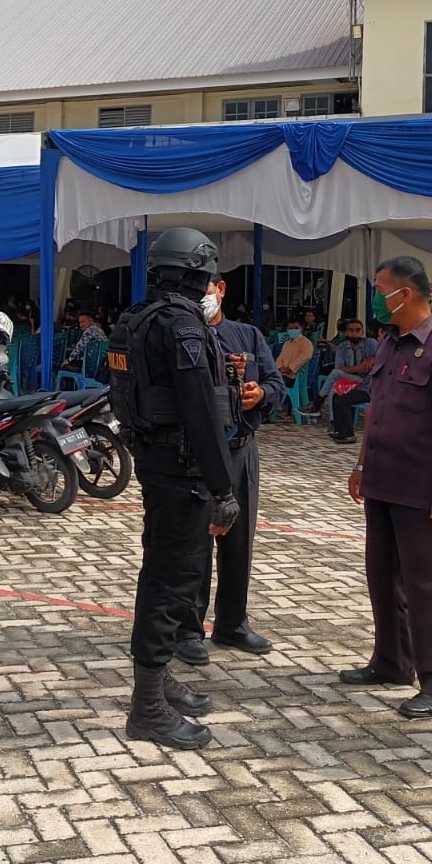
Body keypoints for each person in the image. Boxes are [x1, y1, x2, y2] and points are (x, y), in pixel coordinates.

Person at [107, 227, 240, 750]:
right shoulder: (183, 328)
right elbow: (202, 413)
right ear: (194, 273)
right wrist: (222, 487)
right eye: (207, 276)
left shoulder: (136, 320)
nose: (211, 285)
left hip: (156, 461)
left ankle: (158, 683)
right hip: (183, 469)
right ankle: (146, 709)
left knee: (162, 572)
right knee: (173, 582)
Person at [339, 256, 432, 720]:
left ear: (407, 294)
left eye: (381, 288)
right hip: (382, 480)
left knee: (431, 587)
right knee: (383, 577)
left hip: (422, 488)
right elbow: (376, 406)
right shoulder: (390, 344)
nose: (376, 297)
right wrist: (360, 462)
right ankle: (392, 662)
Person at [174, 271, 288, 666]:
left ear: (220, 290)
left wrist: (261, 393)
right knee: (198, 540)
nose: (201, 298)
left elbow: (277, 384)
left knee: (239, 541)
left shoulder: (249, 336)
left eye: (206, 289)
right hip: (201, 453)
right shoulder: (182, 335)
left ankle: (232, 623)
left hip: (243, 448)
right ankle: (189, 629)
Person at [326, 319, 377, 443]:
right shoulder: (342, 347)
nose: (355, 333)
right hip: (349, 382)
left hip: (368, 387)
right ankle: (340, 431)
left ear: (362, 331)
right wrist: (357, 368)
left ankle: (348, 434)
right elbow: (340, 368)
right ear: (346, 333)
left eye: (358, 330)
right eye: (351, 330)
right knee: (336, 395)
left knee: (342, 400)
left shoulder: (371, 343)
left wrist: (373, 357)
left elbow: (382, 357)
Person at [275, 317, 314, 382]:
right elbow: (280, 358)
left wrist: (290, 368)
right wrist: (280, 367)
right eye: (290, 328)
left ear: (301, 328)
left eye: (296, 328)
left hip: (295, 376)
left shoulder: (306, 343)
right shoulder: (287, 342)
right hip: (282, 374)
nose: (293, 330)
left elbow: (305, 357)